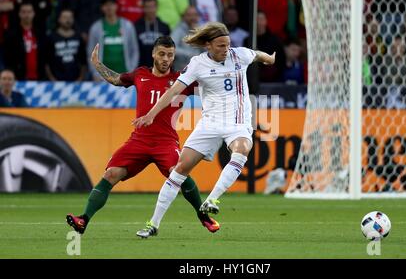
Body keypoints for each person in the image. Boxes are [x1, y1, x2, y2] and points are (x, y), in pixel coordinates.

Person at [133, 22, 275, 237]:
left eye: (227, 45)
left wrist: (270, 58)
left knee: (242, 148)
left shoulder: (240, 55)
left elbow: (257, 55)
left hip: (237, 122)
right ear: (208, 45)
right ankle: (153, 224)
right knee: (179, 169)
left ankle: (212, 199)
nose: (225, 49)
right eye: (220, 45)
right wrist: (151, 114)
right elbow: (173, 92)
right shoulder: (197, 64)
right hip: (209, 123)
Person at [66, 36, 219, 235]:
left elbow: (209, 86)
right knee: (111, 174)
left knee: (178, 172)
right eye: (162, 54)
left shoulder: (182, 80)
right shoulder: (140, 74)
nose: (166, 59)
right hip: (139, 140)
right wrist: (96, 64)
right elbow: (115, 79)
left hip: (165, 142)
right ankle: (83, 219)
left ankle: (203, 216)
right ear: (154, 54)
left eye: (170, 55)